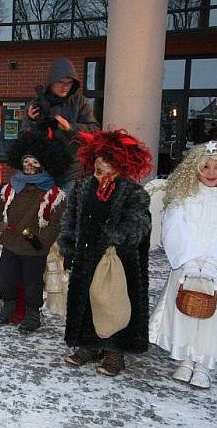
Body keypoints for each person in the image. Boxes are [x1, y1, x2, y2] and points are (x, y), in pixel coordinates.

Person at [149, 141, 217, 389]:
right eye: (205, 167)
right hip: (186, 266)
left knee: (209, 316)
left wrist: (214, 263)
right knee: (184, 310)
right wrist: (188, 259)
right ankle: (185, 359)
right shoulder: (183, 198)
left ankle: (203, 364)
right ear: (195, 169)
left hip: (214, 270)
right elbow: (173, 227)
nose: (211, 172)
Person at [58, 129, 153, 377]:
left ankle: (114, 352)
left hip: (117, 260)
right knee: (86, 301)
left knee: (113, 303)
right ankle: (89, 345)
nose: (103, 162)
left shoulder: (133, 192)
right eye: (100, 157)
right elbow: (70, 219)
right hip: (86, 256)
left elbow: (139, 224)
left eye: (110, 158)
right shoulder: (82, 187)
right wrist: (67, 246)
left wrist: (115, 236)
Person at [0, 127, 70, 333]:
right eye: (26, 162)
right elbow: (0, 209)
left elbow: (55, 223)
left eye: (34, 163)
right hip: (11, 241)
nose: (29, 166)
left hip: (34, 245)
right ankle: (8, 306)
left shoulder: (53, 194)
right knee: (5, 278)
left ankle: (33, 315)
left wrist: (41, 241)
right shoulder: (12, 186)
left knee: (31, 284)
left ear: (43, 165)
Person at [21, 58, 99, 193]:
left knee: (67, 211)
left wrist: (70, 127)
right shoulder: (36, 104)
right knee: (43, 211)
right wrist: (32, 121)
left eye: (69, 83)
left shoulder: (80, 102)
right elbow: (23, 139)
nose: (65, 87)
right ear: (51, 82)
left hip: (73, 170)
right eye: (61, 82)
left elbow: (95, 132)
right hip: (43, 171)